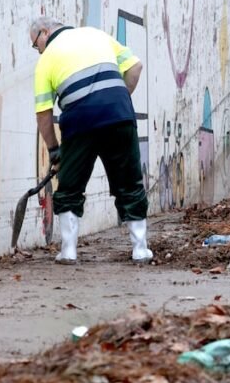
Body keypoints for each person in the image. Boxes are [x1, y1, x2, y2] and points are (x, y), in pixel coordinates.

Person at [29, 17, 153, 264]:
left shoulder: (46, 59)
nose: (38, 50)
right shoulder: (97, 34)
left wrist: (54, 150)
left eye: (36, 45)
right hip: (118, 115)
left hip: (79, 122)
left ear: (44, 32)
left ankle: (68, 251)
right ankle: (140, 249)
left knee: (70, 187)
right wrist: (116, 99)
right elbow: (135, 67)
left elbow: (43, 114)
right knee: (129, 182)